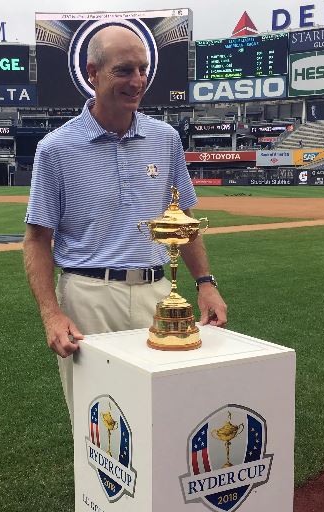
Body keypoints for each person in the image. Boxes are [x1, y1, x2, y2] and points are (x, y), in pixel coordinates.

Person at [23, 26, 227, 421]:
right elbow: (36, 239)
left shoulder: (164, 138)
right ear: (92, 73)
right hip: (89, 296)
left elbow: (182, 219)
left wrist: (206, 284)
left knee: (167, 413)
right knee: (98, 415)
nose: (137, 82)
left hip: (158, 291)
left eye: (142, 70)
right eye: (123, 71)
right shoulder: (56, 148)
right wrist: (51, 313)